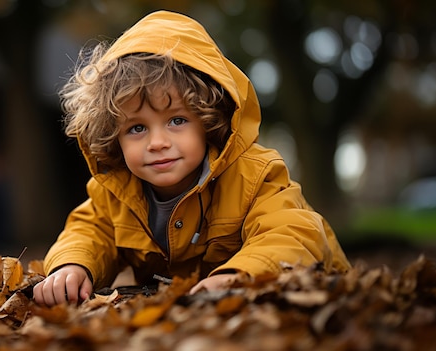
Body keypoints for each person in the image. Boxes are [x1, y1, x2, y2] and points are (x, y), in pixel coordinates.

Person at [33, 10, 351, 306]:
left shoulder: (253, 175)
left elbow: (293, 230)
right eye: (137, 127)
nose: (157, 143)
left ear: (208, 120)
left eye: (177, 121)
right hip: (196, 306)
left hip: (326, 296)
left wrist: (239, 275)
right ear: (113, 134)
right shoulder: (115, 190)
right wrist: (72, 266)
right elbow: (89, 232)